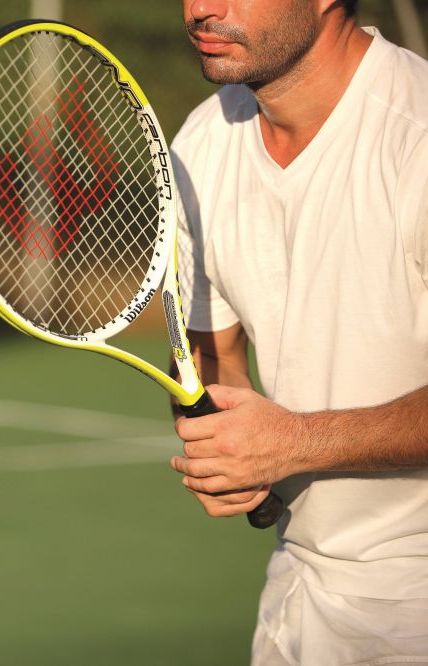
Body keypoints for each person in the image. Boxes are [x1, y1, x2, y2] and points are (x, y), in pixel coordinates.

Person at [167, 0, 428, 663]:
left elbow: (290, 442)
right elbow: (214, 355)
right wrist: (235, 454)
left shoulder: (416, 135)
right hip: (300, 594)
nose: (202, 9)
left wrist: (296, 442)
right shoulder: (201, 144)